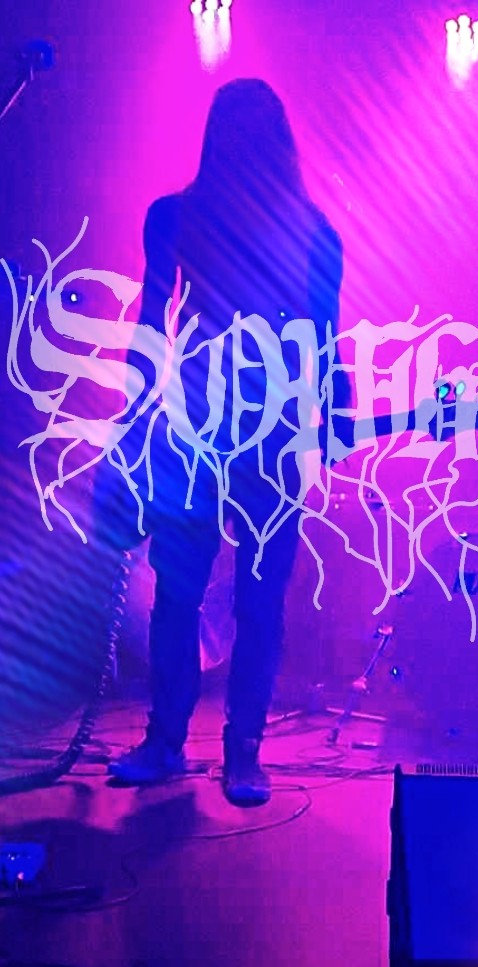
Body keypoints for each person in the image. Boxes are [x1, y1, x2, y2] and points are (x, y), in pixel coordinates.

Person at [103, 79, 345, 806]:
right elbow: (325, 343)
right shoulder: (305, 229)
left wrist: (132, 419)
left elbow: (154, 323)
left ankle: (186, 746)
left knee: (200, 598)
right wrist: (331, 426)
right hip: (241, 430)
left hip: (223, 427)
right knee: (235, 600)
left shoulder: (188, 216)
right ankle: (228, 754)